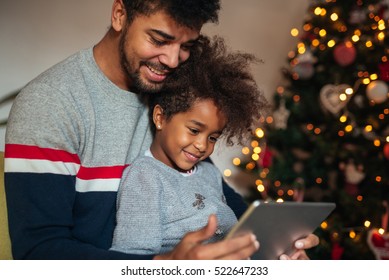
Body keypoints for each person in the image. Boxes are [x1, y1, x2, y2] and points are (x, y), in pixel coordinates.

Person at [4, 0, 318, 260]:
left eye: (187, 46)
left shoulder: (172, 90)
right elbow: (38, 254)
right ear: (119, 15)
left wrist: (274, 239)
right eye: (159, 39)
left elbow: (212, 194)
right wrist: (165, 265)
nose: (171, 60)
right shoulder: (51, 103)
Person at [110, 35, 266, 255]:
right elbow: (133, 258)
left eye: (213, 137)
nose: (203, 146)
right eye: (194, 130)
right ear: (160, 118)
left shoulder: (209, 173)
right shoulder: (145, 177)